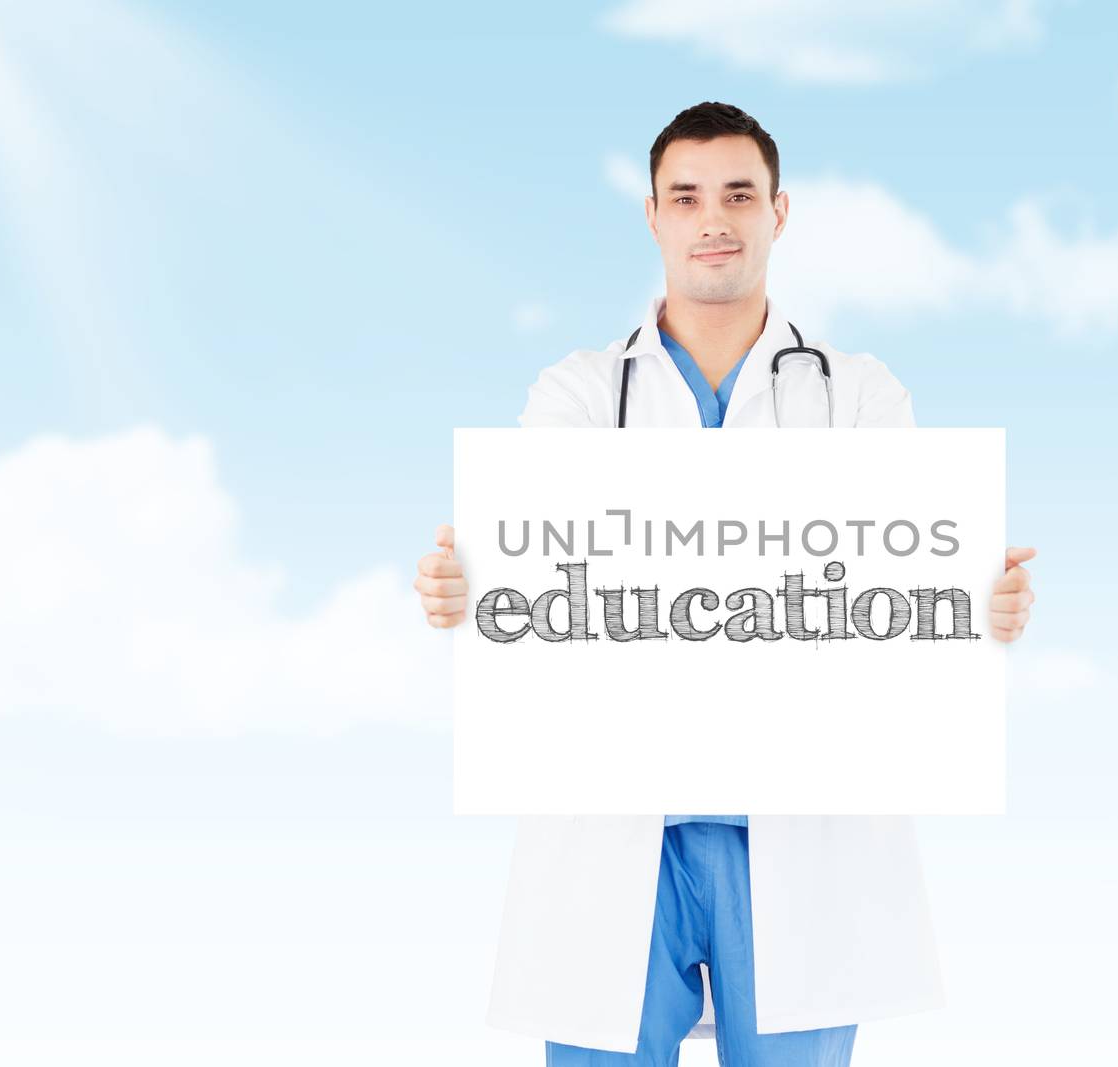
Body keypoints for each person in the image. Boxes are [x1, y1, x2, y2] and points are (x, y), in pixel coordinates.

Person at [414, 102, 1038, 1066]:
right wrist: (474, 589)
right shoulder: (579, 395)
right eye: (688, 196)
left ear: (778, 213)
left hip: (799, 830)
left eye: (739, 194)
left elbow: (907, 596)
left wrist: (974, 609)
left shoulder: (859, 394)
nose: (715, 218)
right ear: (653, 216)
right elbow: (538, 582)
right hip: (619, 827)